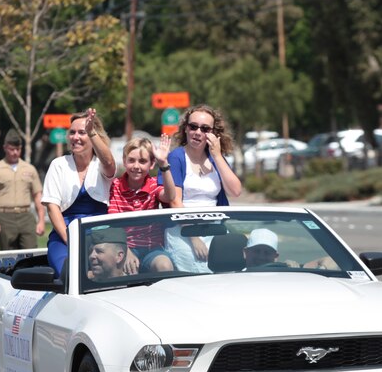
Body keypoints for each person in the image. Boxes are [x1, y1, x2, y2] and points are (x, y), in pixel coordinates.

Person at [164, 104, 243, 272]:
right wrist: (194, 238)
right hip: (184, 230)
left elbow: (235, 191)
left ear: (214, 133)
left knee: (229, 274)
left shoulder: (216, 158)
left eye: (205, 129)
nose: (198, 132)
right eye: (193, 126)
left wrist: (216, 155)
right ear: (185, 129)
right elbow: (175, 201)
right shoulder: (177, 157)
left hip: (215, 228)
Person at [41, 109, 116, 275]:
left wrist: (92, 132)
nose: (75, 137)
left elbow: (109, 162)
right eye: (72, 132)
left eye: (82, 132)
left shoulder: (100, 163)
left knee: (106, 274)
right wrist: (70, 240)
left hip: (100, 237)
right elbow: (52, 208)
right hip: (64, 236)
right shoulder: (58, 165)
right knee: (68, 272)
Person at [107, 135, 178, 273]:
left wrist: (163, 163)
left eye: (142, 161)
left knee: (164, 266)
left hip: (152, 249)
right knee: (120, 272)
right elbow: (112, 225)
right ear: (124, 162)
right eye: (131, 160)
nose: (136, 166)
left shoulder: (153, 184)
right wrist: (125, 250)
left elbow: (170, 196)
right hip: (122, 246)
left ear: (151, 164)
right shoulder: (114, 186)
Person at [0, 129, 45, 251]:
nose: (15, 152)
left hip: (26, 216)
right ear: (5, 147)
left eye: (18, 149)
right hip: (5, 217)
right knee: (8, 256)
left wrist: (41, 221)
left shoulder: (30, 169)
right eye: (11, 149)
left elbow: (38, 196)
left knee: (31, 254)